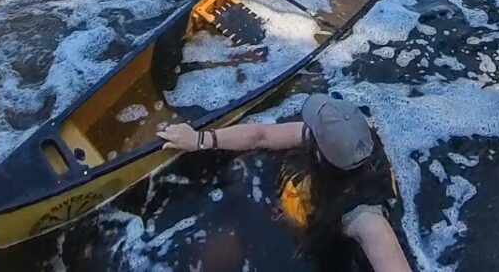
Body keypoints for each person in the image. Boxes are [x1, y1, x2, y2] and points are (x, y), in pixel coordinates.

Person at [158, 94, 412, 272]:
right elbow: (262, 136)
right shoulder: (352, 140)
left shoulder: (367, 221)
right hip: (304, 208)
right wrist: (199, 140)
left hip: (325, 250)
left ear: (322, 153)